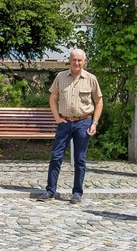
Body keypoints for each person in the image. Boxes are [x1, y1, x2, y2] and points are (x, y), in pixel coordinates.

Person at [37, 49, 103, 204]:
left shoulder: (91, 79)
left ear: (84, 62)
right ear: (70, 60)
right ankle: (50, 190)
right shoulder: (61, 77)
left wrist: (95, 122)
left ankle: (77, 192)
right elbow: (53, 98)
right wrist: (57, 117)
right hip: (64, 122)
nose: (77, 63)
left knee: (80, 159)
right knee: (56, 157)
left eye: (80, 60)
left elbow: (99, 102)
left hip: (83, 122)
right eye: (74, 60)